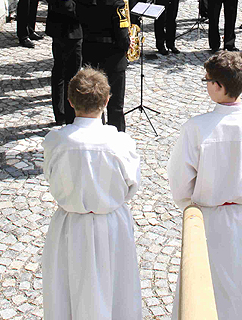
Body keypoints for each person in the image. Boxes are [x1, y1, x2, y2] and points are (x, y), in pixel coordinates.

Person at [167, 51, 242, 320]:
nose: (207, 85)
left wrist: (193, 204)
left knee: (206, 293)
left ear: (218, 86)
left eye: (208, 81)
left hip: (208, 222)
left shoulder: (196, 128)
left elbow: (180, 182)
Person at [42, 67, 142, 319]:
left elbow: (50, 176)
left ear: (70, 101)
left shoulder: (56, 141)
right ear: (107, 101)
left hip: (70, 224)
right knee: (116, 289)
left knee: (68, 290)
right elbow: (132, 185)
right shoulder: (121, 143)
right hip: (112, 224)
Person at [76, 0, 131, 132]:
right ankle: (117, 138)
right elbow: (122, 37)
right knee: (115, 106)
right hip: (113, 59)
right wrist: (128, 45)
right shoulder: (116, 2)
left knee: (93, 103)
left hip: (90, 55)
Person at [44, 0, 83, 126]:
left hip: (58, 26)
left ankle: (60, 113)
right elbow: (68, 6)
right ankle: (68, 116)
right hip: (69, 29)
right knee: (70, 74)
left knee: (59, 70)